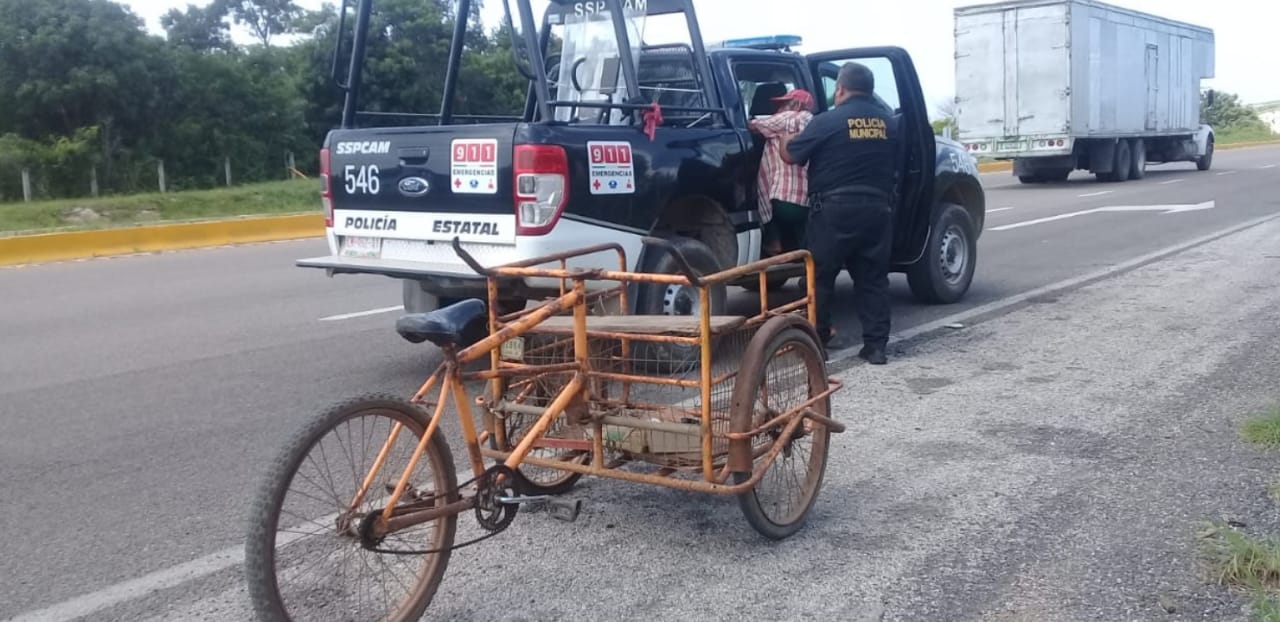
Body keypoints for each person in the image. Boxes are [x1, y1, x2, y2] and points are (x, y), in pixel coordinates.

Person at [780, 62, 899, 365]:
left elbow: (791, 156)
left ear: (841, 89)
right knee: (873, 278)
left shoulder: (827, 121)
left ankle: (817, 342)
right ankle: (876, 348)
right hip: (877, 209)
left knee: (819, 277)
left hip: (834, 211)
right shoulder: (889, 123)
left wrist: (784, 135)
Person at [747, 89, 815, 257]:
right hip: (808, 198)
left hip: (783, 198)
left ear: (797, 105)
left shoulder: (792, 117)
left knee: (767, 212)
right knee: (805, 239)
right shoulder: (815, 124)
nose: (779, 109)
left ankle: (774, 242)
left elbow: (754, 126)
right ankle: (810, 267)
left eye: (783, 104)